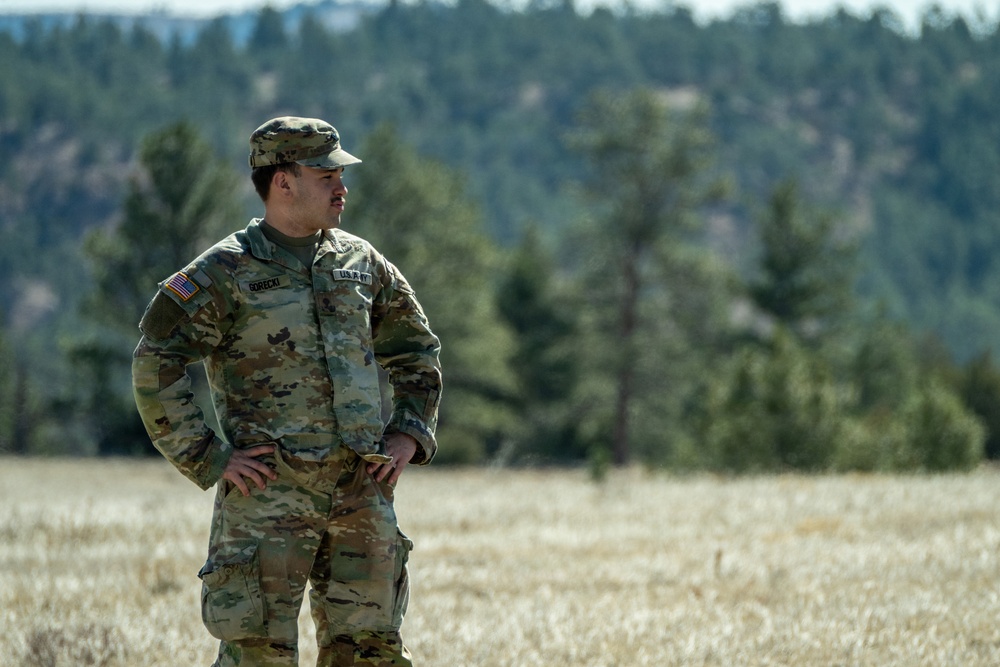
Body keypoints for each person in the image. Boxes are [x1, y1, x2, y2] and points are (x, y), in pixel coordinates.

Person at [132, 116, 442, 667]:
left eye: (340, 174)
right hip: (267, 503)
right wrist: (209, 455)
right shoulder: (224, 271)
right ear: (283, 182)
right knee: (258, 656)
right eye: (326, 173)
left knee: (370, 652)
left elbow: (417, 351)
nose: (341, 186)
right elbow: (157, 359)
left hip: (360, 497)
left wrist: (409, 434)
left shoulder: (360, 264)